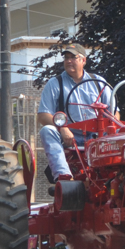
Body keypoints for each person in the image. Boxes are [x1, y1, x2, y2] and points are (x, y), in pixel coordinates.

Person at [37, 43, 113, 183]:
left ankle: (117, 176)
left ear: (83, 60)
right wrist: (63, 128)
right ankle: (64, 177)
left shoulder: (98, 82)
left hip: (98, 136)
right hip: (69, 137)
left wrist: (106, 131)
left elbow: (113, 113)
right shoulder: (55, 83)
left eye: (73, 57)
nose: (69, 61)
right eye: (66, 58)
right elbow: (43, 115)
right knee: (47, 130)